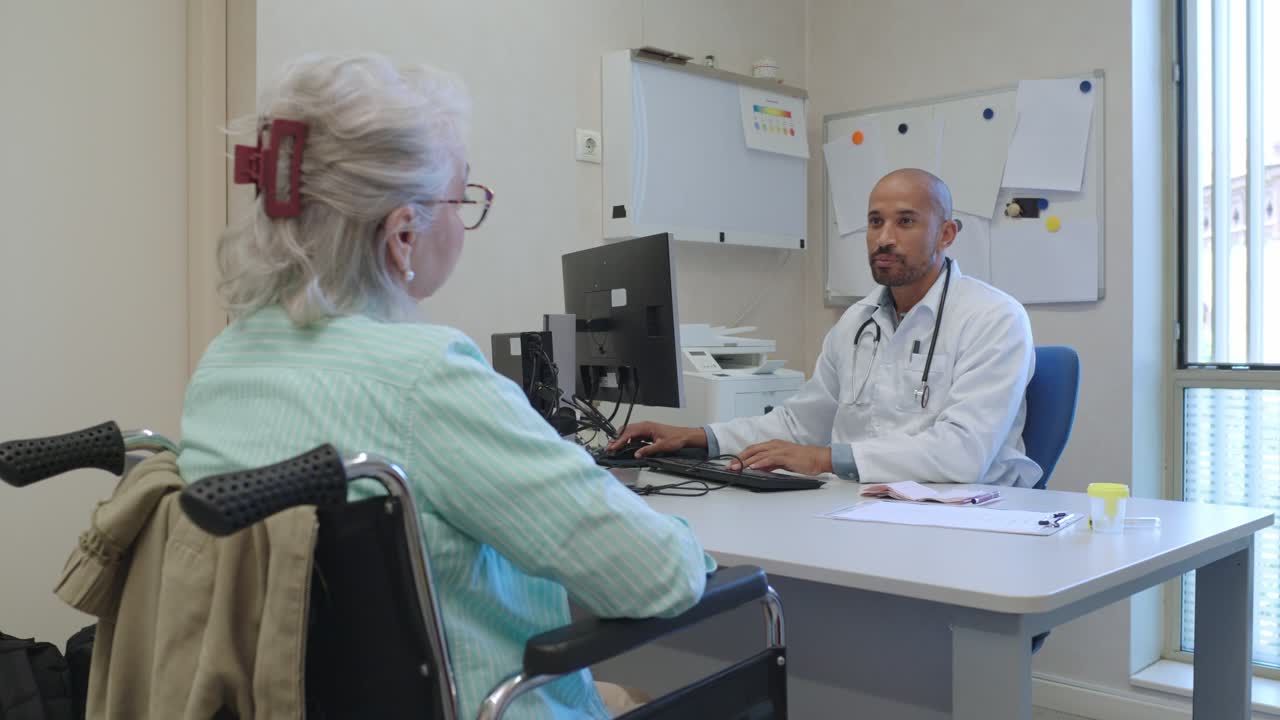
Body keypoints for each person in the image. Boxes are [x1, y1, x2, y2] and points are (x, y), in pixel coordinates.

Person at [177, 54, 709, 719]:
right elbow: (659, 577)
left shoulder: (224, 362)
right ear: (403, 234)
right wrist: (682, 533)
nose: (466, 221)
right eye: (465, 198)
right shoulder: (425, 377)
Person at [611, 168, 1041, 487]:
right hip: (864, 504)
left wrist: (825, 459)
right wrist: (699, 436)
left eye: (905, 221)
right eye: (875, 222)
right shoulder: (857, 323)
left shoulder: (993, 319)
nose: (884, 238)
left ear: (946, 234)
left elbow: (962, 455)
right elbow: (799, 424)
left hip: (968, 515)